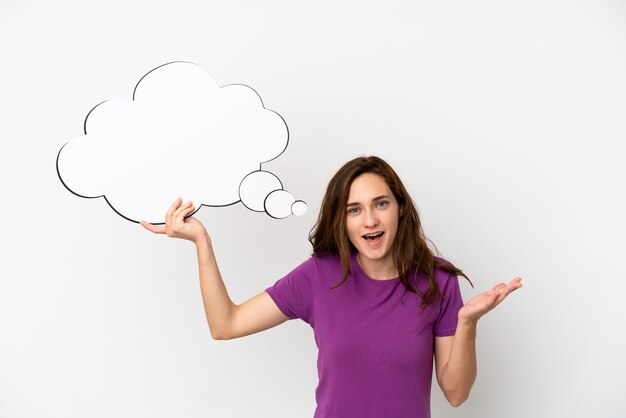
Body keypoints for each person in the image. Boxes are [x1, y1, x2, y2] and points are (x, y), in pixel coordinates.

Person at [140, 156, 522, 418]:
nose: (369, 220)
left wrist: (468, 323)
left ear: (401, 208)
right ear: (342, 220)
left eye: (381, 204)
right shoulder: (319, 276)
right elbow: (226, 324)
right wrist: (202, 243)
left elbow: (456, 394)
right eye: (354, 209)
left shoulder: (437, 281)